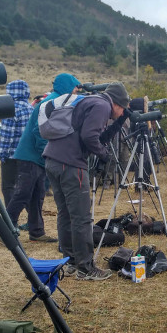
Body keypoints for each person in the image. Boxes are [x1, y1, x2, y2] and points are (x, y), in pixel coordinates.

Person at [43, 81, 130, 280]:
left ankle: (70, 261)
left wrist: (117, 124)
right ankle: (86, 267)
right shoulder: (102, 106)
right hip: (71, 165)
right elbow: (90, 137)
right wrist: (104, 155)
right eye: (122, 109)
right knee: (82, 217)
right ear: (117, 103)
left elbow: (98, 137)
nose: (122, 112)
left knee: (65, 214)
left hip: (53, 160)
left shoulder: (91, 102)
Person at [4, 77, 62, 243]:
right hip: (30, 156)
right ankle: (5, 230)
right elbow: (39, 132)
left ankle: (36, 231)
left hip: (37, 157)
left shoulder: (52, 101)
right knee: (23, 193)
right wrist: (48, 152)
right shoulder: (50, 103)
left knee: (38, 195)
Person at [0, 80, 33, 207]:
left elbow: (7, 136)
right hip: (28, 156)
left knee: (8, 187)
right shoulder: (31, 108)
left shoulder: (10, 110)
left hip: (12, 156)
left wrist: (2, 155)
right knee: (26, 188)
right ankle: (33, 220)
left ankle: (10, 220)